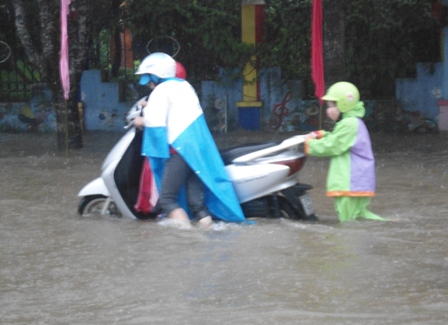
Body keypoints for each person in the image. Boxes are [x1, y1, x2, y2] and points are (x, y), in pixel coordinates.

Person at [133, 52, 245, 229]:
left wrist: (140, 121)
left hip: (181, 150)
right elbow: (177, 110)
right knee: (196, 203)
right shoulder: (185, 86)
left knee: (168, 199)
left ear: (157, 75)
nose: (148, 84)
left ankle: (185, 241)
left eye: (149, 79)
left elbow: (155, 123)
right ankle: (207, 233)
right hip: (200, 149)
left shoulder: (160, 91)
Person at [304, 81, 384, 222]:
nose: (328, 110)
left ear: (343, 104)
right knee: (358, 217)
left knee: (348, 220)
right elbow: (338, 139)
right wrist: (322, 134)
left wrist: (309, 145)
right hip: (357, 180)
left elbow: (334, 145)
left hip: (350, 180)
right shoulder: (352, 122)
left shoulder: (349, 124)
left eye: (331, 106)